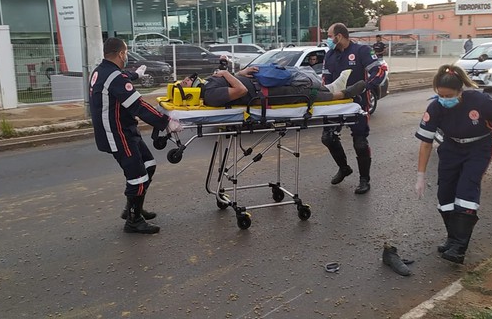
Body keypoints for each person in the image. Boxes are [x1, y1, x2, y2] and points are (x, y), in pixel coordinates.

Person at [414, 64, 492, 264]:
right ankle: (452, 239)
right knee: (445, 196)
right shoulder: (435, 107)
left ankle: (459, 247)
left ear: (460, 91)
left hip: (479, 148)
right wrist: (420, 175)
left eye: (449, 96)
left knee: (466, 190)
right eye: (440, 95)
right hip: (451, 148)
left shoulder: (479, 100)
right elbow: (426, 143)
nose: (444, 100)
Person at [89, 37, 170, 235]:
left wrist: (135, 75)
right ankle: (133, 221)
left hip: (125, 129)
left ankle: (133, 207)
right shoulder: (114, 77)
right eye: (125, 52)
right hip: (117, 133)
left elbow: (120, 77)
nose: (126, 55)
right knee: (137, 177)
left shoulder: (102, 70)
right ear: (121, 54)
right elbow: (138, 105)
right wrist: (166, 122)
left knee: (149, 166)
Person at [321, 23, 387, 194]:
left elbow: (379, 71)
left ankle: (364, 179)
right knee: (328, 137)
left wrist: (365, 86)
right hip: (335, 104)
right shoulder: (329, 55)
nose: (328, 39)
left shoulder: (361, 51)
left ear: (339, 36)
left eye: (329, 35)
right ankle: (343, 168)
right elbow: (325, 80)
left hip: (357, 103)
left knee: (360, 142)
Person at [179, 65, 365, 107]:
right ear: (188, 91)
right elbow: (240, 91)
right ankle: (343, 93)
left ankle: (332, 87)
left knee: (298, 75)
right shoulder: (210, 95)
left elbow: (237, 83)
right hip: (267, 93)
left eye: (185, 79)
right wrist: (227, 74)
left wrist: (240, 74)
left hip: (263, 83)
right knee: (306, 92)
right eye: (183, 82)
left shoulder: (209, 83)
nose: (186, 79)